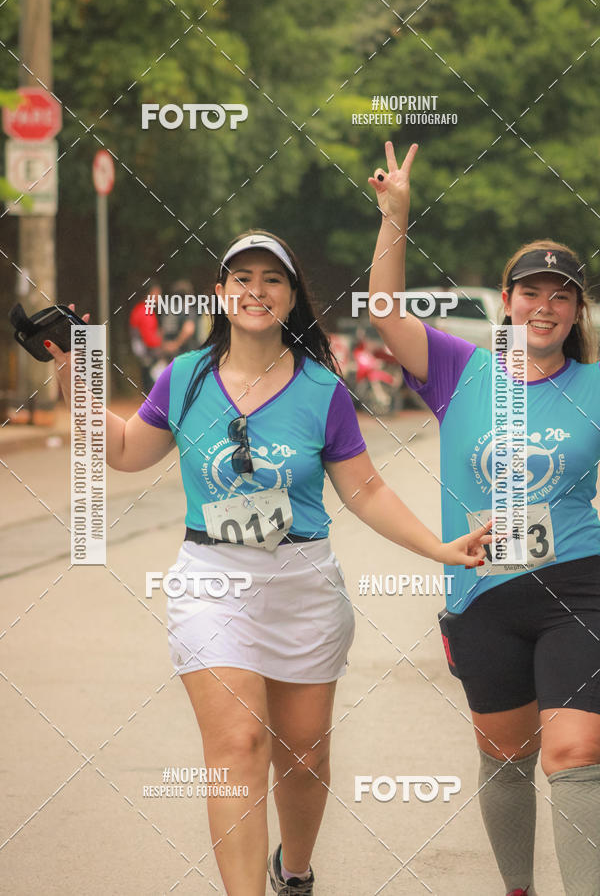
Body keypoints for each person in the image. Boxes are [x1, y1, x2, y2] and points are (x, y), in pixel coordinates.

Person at [45, 230, 490, 896]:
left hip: (303, 584)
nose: (256, 291)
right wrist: (74, 383)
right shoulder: (187, 377)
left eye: (272, 279)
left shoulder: (322, 389)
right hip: (211, 581)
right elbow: (127, 450)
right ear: (221, 292)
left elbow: (365, 490)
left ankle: (296, 871)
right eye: (242, 278)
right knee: (237, 751)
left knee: (304, 758)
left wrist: (437, 547)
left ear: (290, 295)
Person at [367, 141, 600, 896]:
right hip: (482, 594)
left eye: (561, 295)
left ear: (577, 310)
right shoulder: (459, 371)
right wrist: (395, 219)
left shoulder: (595, 385)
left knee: (577, 754)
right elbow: (385, 313)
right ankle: (518, 890)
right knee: (507, 759)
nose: (545, 305)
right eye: (531, 292)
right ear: (508, 302)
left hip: (581, 586)